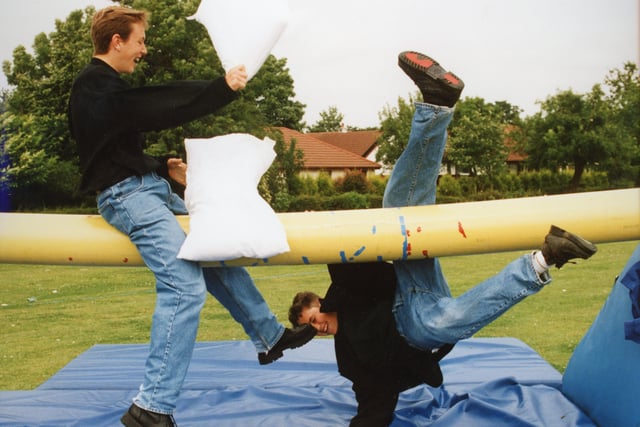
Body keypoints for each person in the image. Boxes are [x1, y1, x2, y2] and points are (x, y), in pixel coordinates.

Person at [288, 50, 598, 427]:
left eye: (315, 318)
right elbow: (374, 397)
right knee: (445, 321)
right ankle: (545, 259)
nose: (318, 327)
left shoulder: (345, 291)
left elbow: (358, 264)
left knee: (400, 209)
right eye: (312, 327)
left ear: (320, 303)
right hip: (415, 329)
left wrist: (317, 234)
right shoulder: (348, 361)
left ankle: (436, 102)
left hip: (405, 288)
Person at [68, 6, 316, 427]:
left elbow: (111, 146)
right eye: (140, 40)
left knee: (216, 247)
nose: (143, 50)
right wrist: (220, 88)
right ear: (117, 41)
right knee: (184, 288)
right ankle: (151, 407)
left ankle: (269, 336)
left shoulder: (105, 91)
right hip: (129, 198)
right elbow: (157, 106)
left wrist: (159, 167)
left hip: (147, 188)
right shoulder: (95, 85)